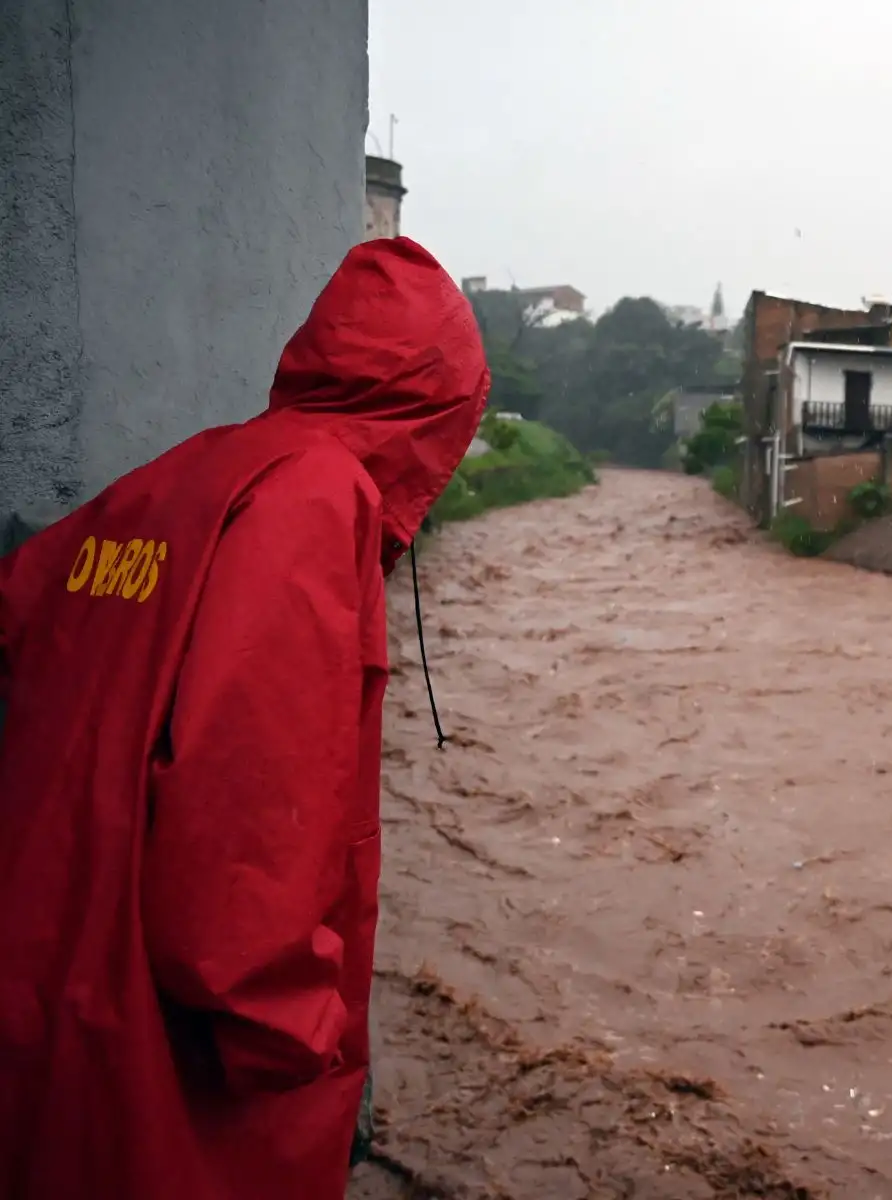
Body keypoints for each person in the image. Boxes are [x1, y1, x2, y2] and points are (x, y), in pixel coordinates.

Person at [0, 238, 489, 1200]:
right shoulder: (315, 500)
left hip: (50, 967)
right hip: (169, 1057)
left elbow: (25, 607)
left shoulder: (184, 474)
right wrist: (305, 1043)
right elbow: (240, 840)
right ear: (440, 412)